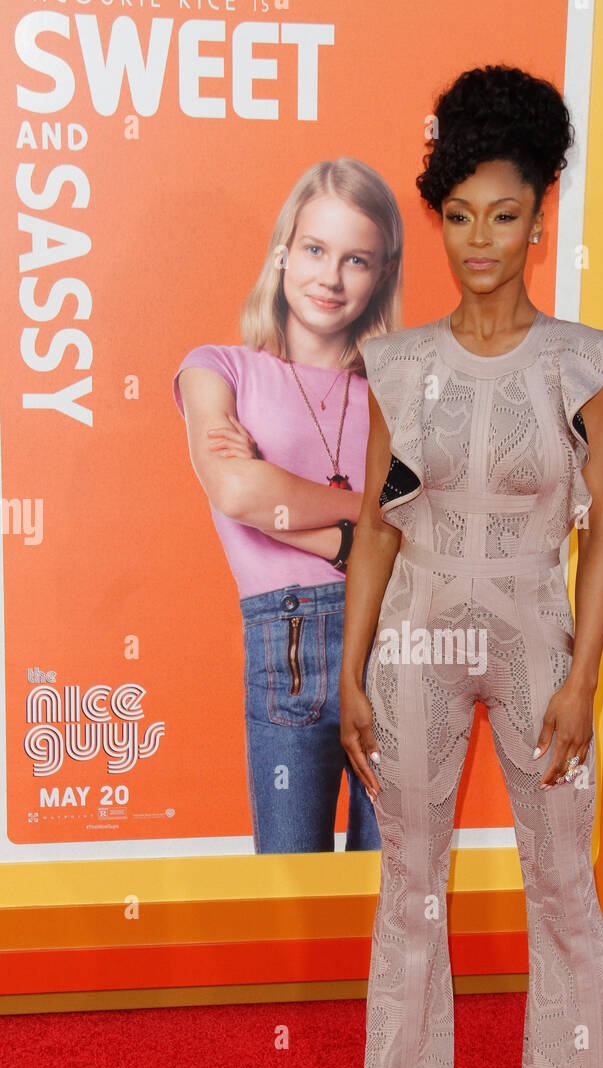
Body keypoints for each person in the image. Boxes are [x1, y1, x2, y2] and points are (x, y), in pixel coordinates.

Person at [339, 66, 603, 1068]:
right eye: (458, 214)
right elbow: (372, 523)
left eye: (503, 213)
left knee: (563, 891)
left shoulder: (583, 362)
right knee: (411, 894)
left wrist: (583, 676)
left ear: (540, 209)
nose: (478, 240)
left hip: (536, 652)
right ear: (437, 214)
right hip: (413, 645)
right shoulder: (397, 365)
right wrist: (355, 670)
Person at [173, 160, 402, 853]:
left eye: (355, 259)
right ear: (283, 252)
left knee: (391, 887)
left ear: (380, 275)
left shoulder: (397, 390)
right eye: (314, 249)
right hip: (290, 645)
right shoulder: (219, 369)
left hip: (400, 640)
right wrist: (355, 528)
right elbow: (239, 493)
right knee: (290, 879)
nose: (331, 277)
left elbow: (426, 523)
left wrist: (306, 512)